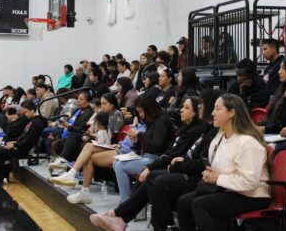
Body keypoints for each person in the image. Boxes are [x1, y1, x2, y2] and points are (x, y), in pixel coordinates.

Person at [89, 93, 216, 231]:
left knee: (149, 175)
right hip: (165, 162)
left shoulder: (194, 130)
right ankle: (120, 215)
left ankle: (122, 214)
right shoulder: (187, 129)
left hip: (165, 162)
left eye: (186, 108)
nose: (180, 110)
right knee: (131, 168)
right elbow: (177, 154)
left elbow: (166, 150)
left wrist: (151, 161)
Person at [52, 94, 174, 205]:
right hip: (134, 151)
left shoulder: (159, 121)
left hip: (151, 158)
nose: (140, 115)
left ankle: (124, 201)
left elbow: (155, 146)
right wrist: (133, 140)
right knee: (88, 150)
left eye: (142, 112)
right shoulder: (151, 121)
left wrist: (138, 136)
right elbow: (146, 143)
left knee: (115, 162)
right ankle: (80, 186)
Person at [177, 94, 272, 231]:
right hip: (229, 189)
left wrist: (218, 178)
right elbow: (220, 167)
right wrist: (211, 174)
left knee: (200, 204)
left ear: (232, 112)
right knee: (184, 202)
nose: (212, 113)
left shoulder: (248, 142)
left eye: (217, 109)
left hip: (252, 195)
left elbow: (249, 182)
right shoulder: (219, 137)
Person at [0, 101, 45, 186]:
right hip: (19, 144)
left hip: (23, 149)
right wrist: (14, 142)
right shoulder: (31, 121)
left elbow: (29, 140)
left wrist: (15, 145)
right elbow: (24, 137)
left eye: (26, 112)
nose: (25, 114)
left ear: (32, 110)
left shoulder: (37, 122)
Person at [259, 57, 286, 134]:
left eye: (283, 69)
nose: (279, 72)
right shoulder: (280, 90)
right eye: (279, 68)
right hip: (271, 132)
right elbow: (271, 119)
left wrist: (264, 129)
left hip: (283, 134)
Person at [56, 91, 95, 163]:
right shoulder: (78, 110)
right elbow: (70, 121)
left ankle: (63, 160)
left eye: (81, 99)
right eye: (78, 99)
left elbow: (82, 129)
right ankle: (62, 160)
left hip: (82, 134)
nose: (78, 101)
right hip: (72, 131)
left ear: (88, 102)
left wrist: (69, 126)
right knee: (57, 135)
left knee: (73, 135)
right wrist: (66, 125)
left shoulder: (89, 112)